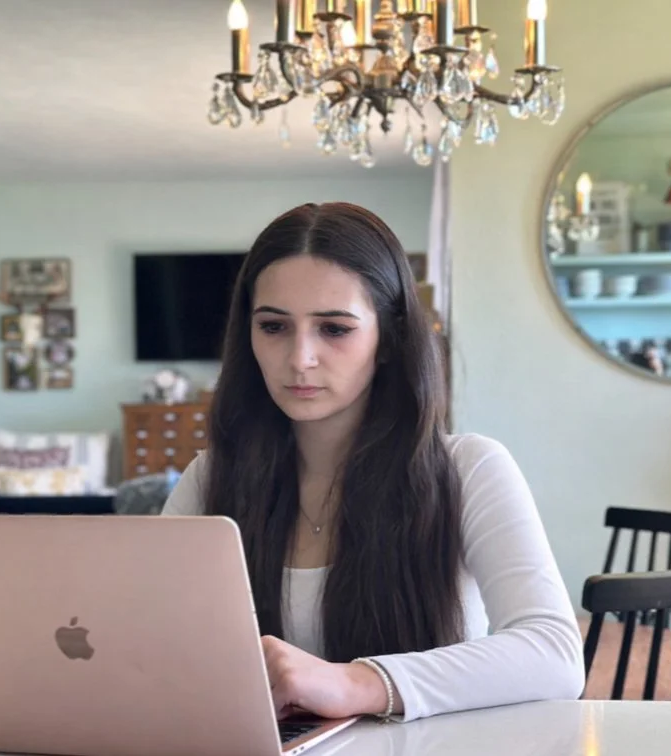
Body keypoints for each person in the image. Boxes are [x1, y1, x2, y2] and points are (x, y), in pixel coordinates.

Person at [161, 202, 584, 723]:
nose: (300, 358)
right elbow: (149, 643)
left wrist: (357, 683)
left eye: (334, 329)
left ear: (388, 339)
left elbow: (555, 653)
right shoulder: (210, 478)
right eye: (273, 327)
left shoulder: (469, 468)